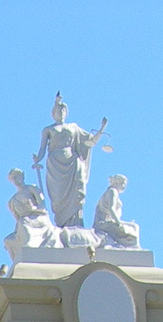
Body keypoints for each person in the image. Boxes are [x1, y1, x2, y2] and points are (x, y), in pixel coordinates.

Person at [33, 94, 107, 229]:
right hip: (55, 164)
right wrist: (38, 158)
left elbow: (90, 142)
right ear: (53, 114)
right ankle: (61, 224)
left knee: (76, 193)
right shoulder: (48, 129)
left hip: (73, 162)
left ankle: (76, 224)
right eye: (57, 111)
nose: (60, 113)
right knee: (58, 197)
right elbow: (43, 147)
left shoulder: (73, 127)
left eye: (62, 111)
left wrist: (101, 129)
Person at [94, 174, 139, 249]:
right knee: (132, 229)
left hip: (110, 221)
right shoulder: (112, 191)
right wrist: (118, 222)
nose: (124, 186)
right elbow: (111, 208)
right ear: (117, 183)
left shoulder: (112, 191)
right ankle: (132, 246)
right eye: (123, 183)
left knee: (134, 226)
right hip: (104, 223)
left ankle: (134, 246)